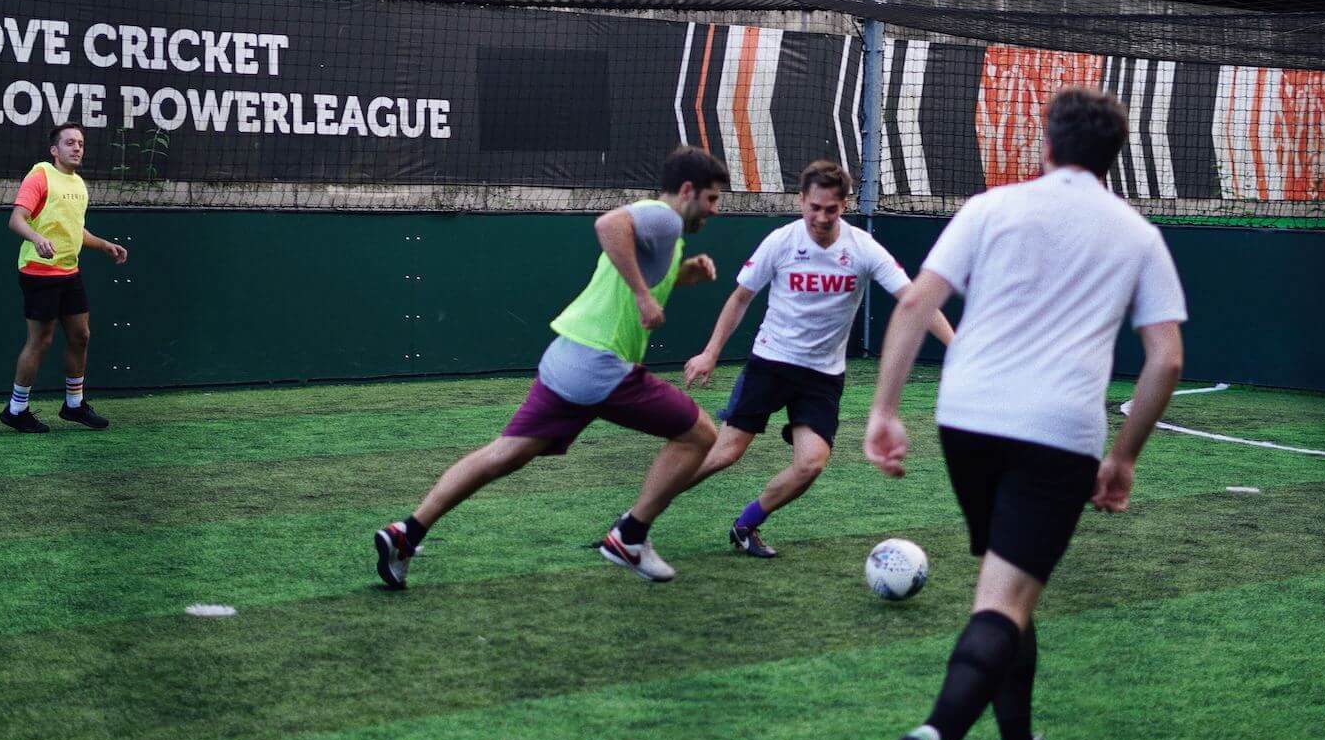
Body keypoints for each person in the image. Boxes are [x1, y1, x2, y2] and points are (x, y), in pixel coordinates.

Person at [862, 88, 1187, 740]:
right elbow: (1166, 357)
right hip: (1055, 432)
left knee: (1003, 589)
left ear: (1046, 142)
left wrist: (883, 409)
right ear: (1114, 156)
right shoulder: (1136, 234)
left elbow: (913, 303)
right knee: (1005, 603)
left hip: (966, 418)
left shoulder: (989, 206)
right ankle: (934, 737)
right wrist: (1124, 457)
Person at [373, 147, 729, 590]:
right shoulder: (665, 217)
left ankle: (406, 533)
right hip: (601, 364)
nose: (715, 210)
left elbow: (632, 262)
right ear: (688, 190)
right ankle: (629, 536)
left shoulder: (665, 232)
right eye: (712, 199)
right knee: (700, 434)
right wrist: (643, 294)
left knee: (504, 454)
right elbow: (608, 224)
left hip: (569, 357)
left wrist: (681, 273)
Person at [678, 159, 954, 558]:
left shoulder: (862, 248)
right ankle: (639, 515)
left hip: (822, 375)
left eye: (832, 209)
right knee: (726, 453)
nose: (821, 218)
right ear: (802, 200)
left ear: (845, 204)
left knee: (811, 464)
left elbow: (917, 300)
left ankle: (746, 525)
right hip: (770, 363)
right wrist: (710, 352)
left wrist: (956, 346)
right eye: (814, 207)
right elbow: (740, 298)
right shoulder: (782, 241)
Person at [2, 122, 129, 433]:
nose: (76, 148)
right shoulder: (41, 175)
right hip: (38, 272)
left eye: (81, 143)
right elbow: (16, 219)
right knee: (41, 340)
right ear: (54, 150)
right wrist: (36, 238)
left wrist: (104, 245)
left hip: (69, 271)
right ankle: (16, 409)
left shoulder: (79, 185)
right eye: (70, 142)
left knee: (81, 336)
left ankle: (74, 405)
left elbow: (76, 232)